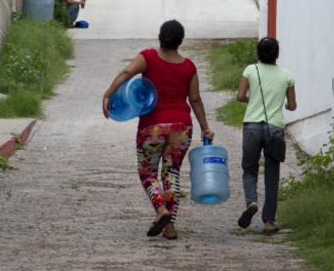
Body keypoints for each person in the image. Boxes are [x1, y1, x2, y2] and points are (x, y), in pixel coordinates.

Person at [102, 20, 214, 240]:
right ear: (180, 41)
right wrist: (205, 128)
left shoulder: (148, 58)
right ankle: (170, 227)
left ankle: (160, 209)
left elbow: (126, 73)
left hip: (152, 127)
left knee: (148, 173)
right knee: (171, 174)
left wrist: (108, 94)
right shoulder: (188, 67)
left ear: (159, 36)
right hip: (182, 127)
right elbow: (195, 99)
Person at [235, 37, 296, 234]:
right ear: (277, 54)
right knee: (272, 176)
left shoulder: (250, 70)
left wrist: (252, 101)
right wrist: (284, 104)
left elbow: (240, 96)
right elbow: (293, 106)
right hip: (274, 129)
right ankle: (269, 222)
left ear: (258, 53)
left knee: (250, 169)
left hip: (252, 126)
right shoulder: (286, 75)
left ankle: (251, 201)